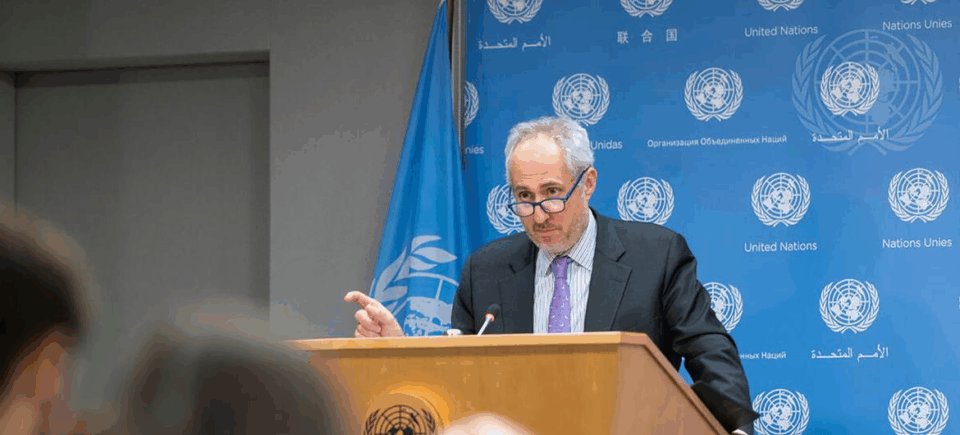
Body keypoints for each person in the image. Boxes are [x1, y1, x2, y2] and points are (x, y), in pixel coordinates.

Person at [347, 116, 757, 434]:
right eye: (524, 197)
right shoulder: (485, 270)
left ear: (588, 183)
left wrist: (734, 429)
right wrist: (397, 351)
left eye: (552, 193)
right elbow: (459, 381)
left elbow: (710, 352)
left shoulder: (657, 255)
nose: (539, 215)